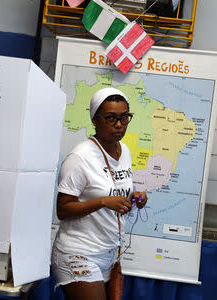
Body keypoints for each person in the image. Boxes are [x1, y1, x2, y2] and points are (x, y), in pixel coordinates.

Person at [51, 87, 148, 300]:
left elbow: (114, 189)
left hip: (108, 254)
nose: (120, 124)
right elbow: (63, 209)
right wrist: (103, 201)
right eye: (111, 118)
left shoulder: (125, 151)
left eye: (124, 117)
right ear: (95, 120)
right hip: (78, 253)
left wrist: (135, 197)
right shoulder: (80, 157)